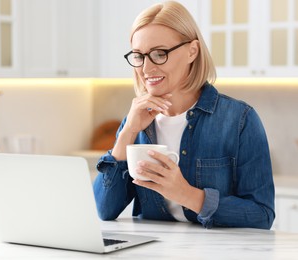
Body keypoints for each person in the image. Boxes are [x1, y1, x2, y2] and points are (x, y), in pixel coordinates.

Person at [93, 1, 275, 229]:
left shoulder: (240, 120)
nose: (146, 69)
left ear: (192, 51)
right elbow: (104, 210)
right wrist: (128, 132)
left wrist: (187, 195)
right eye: (139, 56)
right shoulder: (136, 123)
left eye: (160, 54)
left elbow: (262, 215)